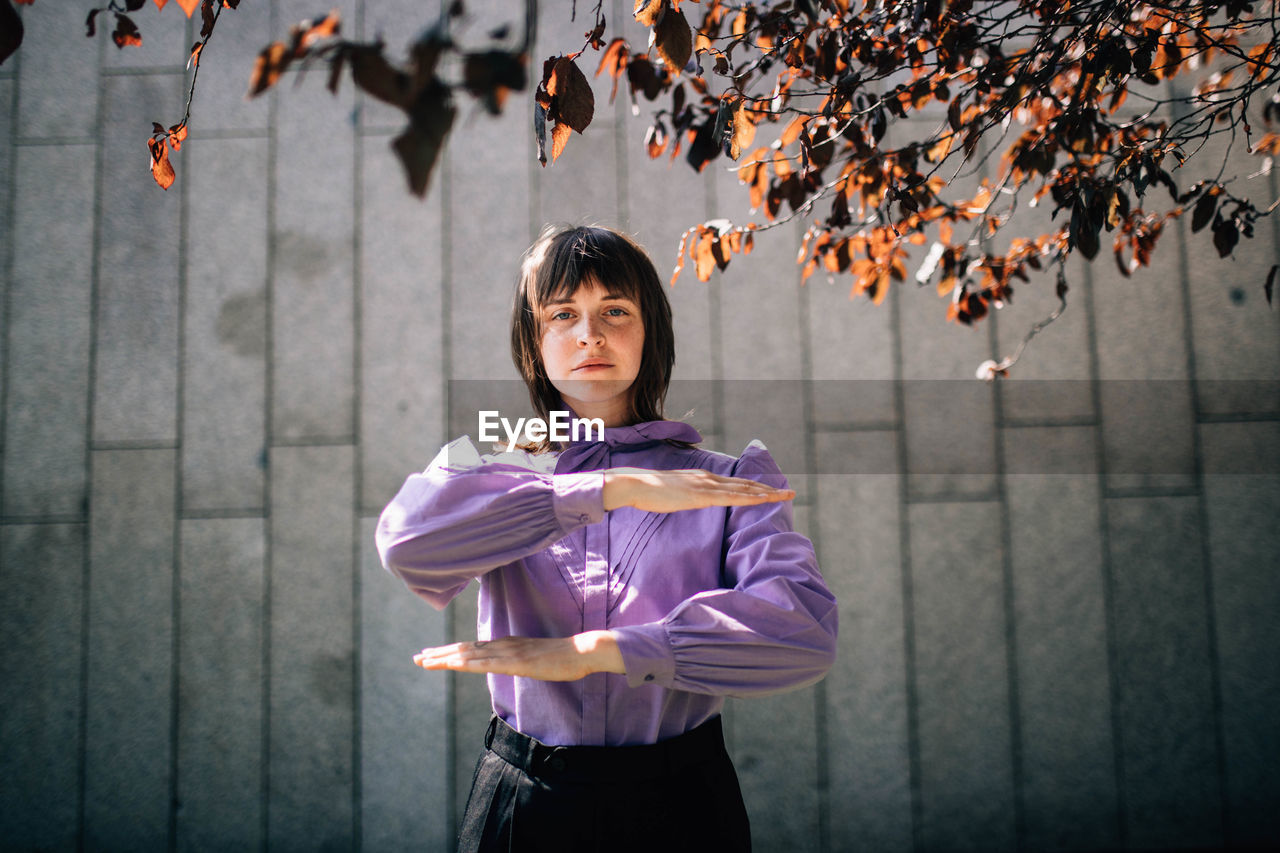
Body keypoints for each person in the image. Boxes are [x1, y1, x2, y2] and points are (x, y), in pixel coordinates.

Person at [375, 225, 838, 852]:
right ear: (534, 343)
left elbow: (802, 631)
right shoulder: (487, 465)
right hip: (523, 800)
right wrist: (606, 489)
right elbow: (407, 545)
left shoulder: (730, 480)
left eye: (614, 311)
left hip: (681, 802)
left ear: (652, 332)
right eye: (563, 314)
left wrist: (601, 651)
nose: (589, 334)